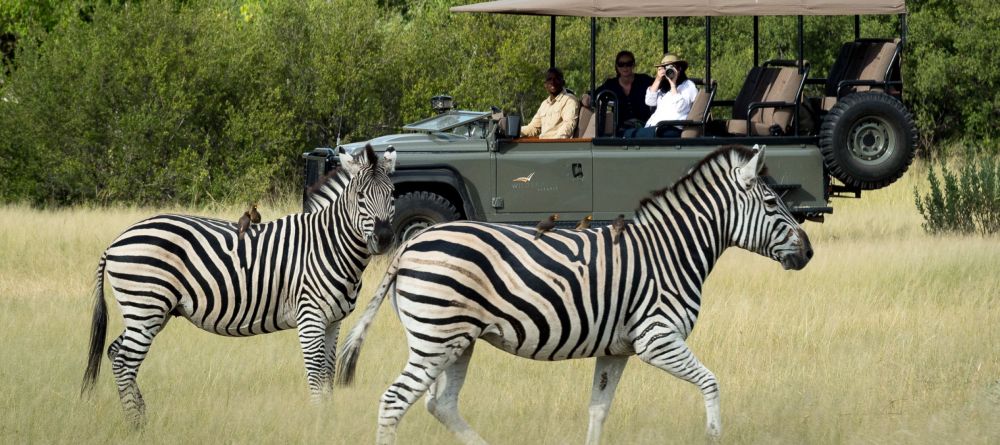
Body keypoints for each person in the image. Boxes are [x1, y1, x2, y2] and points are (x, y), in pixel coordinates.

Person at [623, 53, 698, 138]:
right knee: (625, 132)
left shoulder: (688, 85)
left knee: (627, 134)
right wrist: (658, 78)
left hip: (671, 128)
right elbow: (649, 101)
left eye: (671, 67)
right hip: (656, 128)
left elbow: (679, 108)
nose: (669, 71)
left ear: (679, 68)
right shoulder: (665, 87)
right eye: (665, 68)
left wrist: (673, 83)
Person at [582, 51, 655, 130]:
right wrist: (586, 98)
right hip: (619, 131)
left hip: (645, 127)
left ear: (633, 65)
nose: (625, 67)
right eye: (621, 64)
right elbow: (594, 95)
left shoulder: (644, 80)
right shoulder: (611, 84)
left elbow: (661, 84)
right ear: (617, 66)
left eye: (629, 64)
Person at [520, 67, 580, 139]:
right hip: (543, 145)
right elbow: (533, 128)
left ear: (563, 82)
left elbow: (568, 125)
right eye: (549, 79)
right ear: (545, 84)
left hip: (556, 146)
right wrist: (515, 131)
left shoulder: (569, 100)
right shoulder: (544, 104)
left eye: (556, 79)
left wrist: (554, 143)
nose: (552, 82)